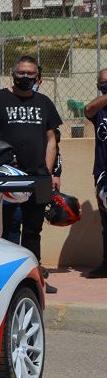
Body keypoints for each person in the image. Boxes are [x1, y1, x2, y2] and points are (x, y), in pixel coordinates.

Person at [0, 55, 62, 291]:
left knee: (33, 230)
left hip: (37, 178)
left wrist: (47, 173)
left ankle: (35, 279)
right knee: (10, 229)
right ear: (13, 75)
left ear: (38, 77)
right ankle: (13, 281)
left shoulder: (44, 103)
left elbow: (52, 140)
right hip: (6, 179)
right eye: (21, 73)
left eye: (30, 74)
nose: (25, 78)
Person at [82, 68, 107, 277]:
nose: (104, 86)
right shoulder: (99, 109)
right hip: (103, 173)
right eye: (102, 84)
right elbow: (88, 109)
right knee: (106, 222)